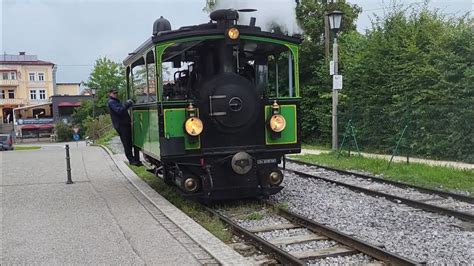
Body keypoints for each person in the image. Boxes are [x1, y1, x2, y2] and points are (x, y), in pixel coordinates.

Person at [107, 88, 142, 166]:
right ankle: (131, 160)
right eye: (114, 93)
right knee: (126, 142)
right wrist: (127, 104)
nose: (116, 94)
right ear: (109, 94)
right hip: (121, 125)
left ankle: (134, 159)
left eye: (116, 93)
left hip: (124, 124)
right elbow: (119, 110)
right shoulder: (111, 102)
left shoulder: (115, 101)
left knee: (128, 142)